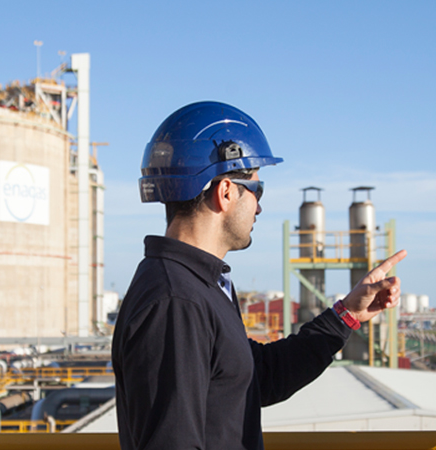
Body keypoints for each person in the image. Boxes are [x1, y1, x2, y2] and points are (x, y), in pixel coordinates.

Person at [112, 101, 406, 450]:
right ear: (224, 192)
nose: (260, 206)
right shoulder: (177, 301)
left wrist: (346, 316)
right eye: (256, 190)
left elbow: (256, 377)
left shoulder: (200, 285)